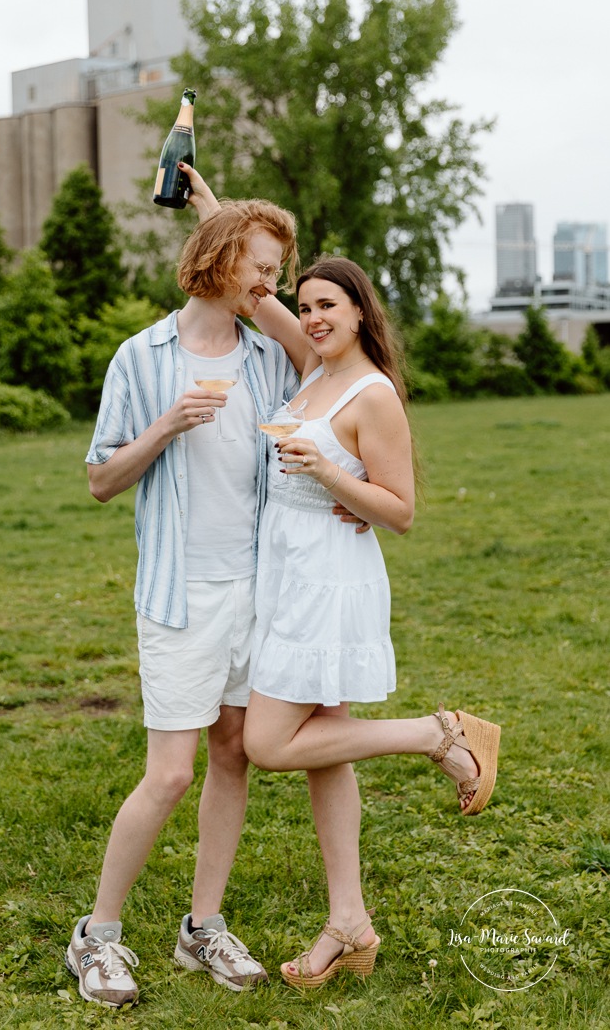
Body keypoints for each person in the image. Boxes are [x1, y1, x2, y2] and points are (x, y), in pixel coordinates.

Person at [65, 172, 365, 1007]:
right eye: (262, 268)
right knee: (168, 775)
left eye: (278, 270)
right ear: (221, 261)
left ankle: (202, 928)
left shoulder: (271, 357)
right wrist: (166, 426)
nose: (275, 286)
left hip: (258, 593)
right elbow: (98, 480)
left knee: (233, 755)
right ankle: (97, 937)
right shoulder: (143, 357)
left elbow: (330, 370)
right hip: (180, 596)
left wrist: (220, 218)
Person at [242, 256, 501, 989]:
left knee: (267, 743)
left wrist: (329, 473)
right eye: (306, 306)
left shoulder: (370, 393)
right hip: (288, 575)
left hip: (329, 582)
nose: (313, 317)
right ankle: (347, 924)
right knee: (325, 749)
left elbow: (401, 511)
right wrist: (202, 202)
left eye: (328, 304)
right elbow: (253, 291)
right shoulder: (311, 367)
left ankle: (436, 732)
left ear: (360, 311)